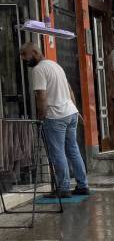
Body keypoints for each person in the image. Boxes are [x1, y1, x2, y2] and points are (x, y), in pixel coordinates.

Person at [20, 43, 88, 199]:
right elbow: (70, 90)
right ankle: (83, 185)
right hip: (70, 112)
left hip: (55, 115)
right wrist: (76, 111)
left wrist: (41, 115)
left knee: (57, 153)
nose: (24, 60)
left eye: (26, 55)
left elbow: (41, 95)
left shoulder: (39, 70)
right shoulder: (56, 65)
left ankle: (63, 188)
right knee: (73, 150)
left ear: (35, 52)